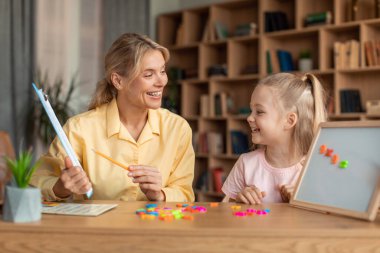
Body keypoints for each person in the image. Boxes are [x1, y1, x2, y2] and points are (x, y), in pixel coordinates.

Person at [31, 33, 195, 202]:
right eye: (148, 74)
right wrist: (61, 187)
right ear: (118, 81)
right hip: (97, 228)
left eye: (162, 71)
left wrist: (160, 194)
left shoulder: (178, 128)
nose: (161, 82)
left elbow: (185, 193)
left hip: (155, 228)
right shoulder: (79, 128)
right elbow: (36, 184)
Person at [222, 73, 327, 204]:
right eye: (251, 110)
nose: (249, 118)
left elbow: (323, 218)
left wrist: (301, 201)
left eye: (259, 112)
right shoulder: (245, 164)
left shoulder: (313, 168)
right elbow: (226, 213)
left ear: (289, 121)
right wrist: (239, 199)